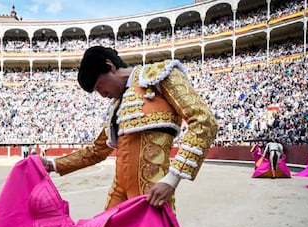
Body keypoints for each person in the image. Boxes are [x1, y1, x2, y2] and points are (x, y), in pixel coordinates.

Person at [41, 46, 218, 210]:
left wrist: (172, 180)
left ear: (110, 67)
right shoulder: (116, 107)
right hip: (117, 196)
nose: (102, 95)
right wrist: (53, 165)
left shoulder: (159, 76)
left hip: (152, 195)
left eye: (99, 86)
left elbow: (204, 120)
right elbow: (96, 151)